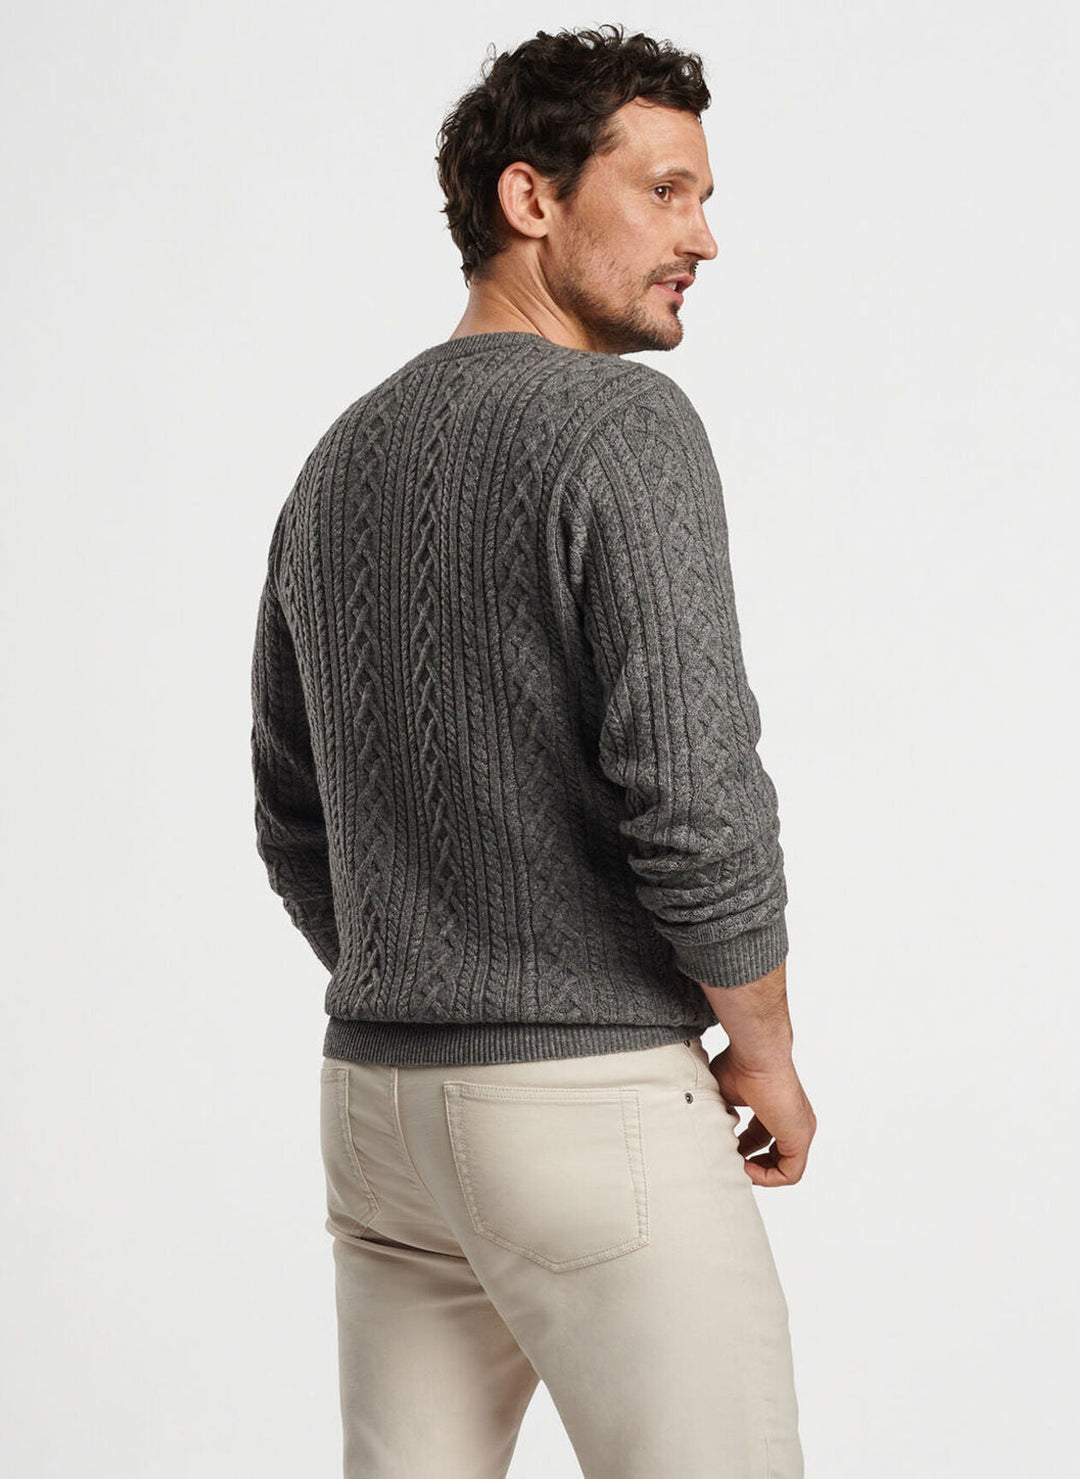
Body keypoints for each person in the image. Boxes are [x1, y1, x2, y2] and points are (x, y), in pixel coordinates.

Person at [250, 23, 815, 1479]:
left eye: (704, 198)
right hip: (586, 1108)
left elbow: (293, 812)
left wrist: (430, 970)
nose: (704, 237)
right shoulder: (619, 426)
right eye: (666, 192)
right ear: (532, 199)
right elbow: (695, 791)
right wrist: (763, 1050)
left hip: (379, 1111)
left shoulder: (341, 458)